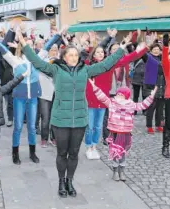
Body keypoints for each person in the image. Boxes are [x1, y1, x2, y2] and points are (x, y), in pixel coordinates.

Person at [17, 27, 127, 198]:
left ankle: (70, 180)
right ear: (64, 57)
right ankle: (61, 181)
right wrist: (24, 44)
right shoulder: (56, 69)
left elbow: (106, 65)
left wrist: (120, 49)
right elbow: (37, 63)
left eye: (76, 55)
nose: (74, 58)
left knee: (74, 153)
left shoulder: (86, 70)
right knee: (62, 153)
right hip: (60, 119)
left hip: (80, 119)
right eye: (70, 55)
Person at [84, 33, 147, 160]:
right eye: (98, 52)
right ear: (94, 55)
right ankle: (88, 146)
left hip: (103, 100)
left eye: (102, 52)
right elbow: (84, 55)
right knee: (89, 126)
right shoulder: (88, 65)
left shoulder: (110, 64)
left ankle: (94, 146)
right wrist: (91, 43)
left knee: (98, 126)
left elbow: (128, 58)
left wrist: (142, 49)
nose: (100, 54)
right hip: (90, 100)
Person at [0, 27, 41, 165]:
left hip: (33, 98)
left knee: (31, 126)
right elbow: (2, 49)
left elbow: (47, 46)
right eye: (26, 45)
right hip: (19, 97)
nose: (29, 48)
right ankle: (15, 153)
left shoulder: (37, 59)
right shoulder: (15, 60)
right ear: (22, 47)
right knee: (18, 126)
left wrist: (60, 34)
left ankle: (32, 152)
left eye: (31, 45)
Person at [90, 80, 155, 181]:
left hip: (125, 133)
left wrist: (151, 96)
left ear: (126, 96)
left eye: (121, 95)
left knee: (123, 153)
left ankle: (122, 171)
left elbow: (143, 105)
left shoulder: (131, 105)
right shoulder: (112, 103)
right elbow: (102, 97)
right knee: (115, 152)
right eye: (118, 94)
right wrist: (94, 87)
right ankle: (115, 171)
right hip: (115, 132)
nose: (118, 96)